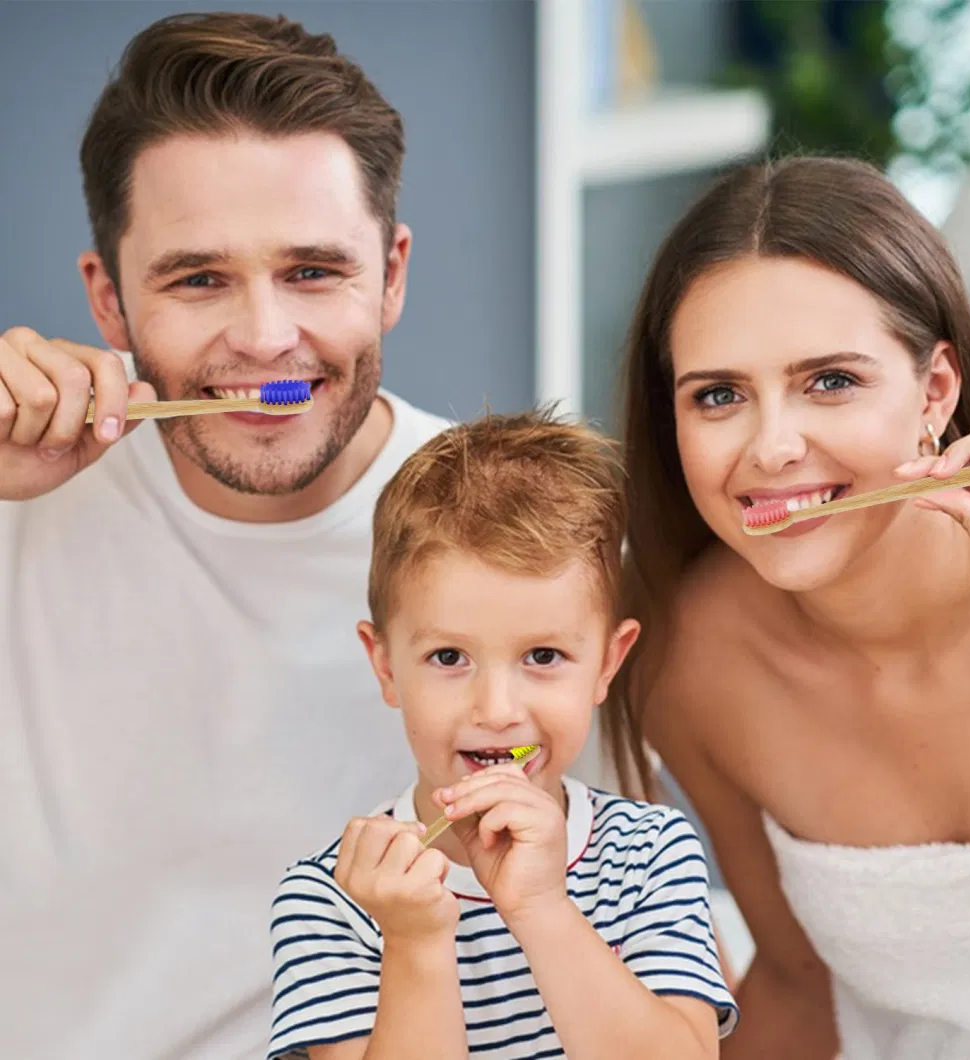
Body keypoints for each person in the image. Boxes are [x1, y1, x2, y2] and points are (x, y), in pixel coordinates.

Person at [0, 12, 457, 1058]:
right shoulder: (15, 505)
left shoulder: (532, 544)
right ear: (107, 300)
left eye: (311, 271)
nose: (262, 336)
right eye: (198, 278)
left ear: (390, 273)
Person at [604, 155, 970, 1060]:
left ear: (935, 392)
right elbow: (794, 982)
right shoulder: (689, 663)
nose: (773, 447)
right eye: (721, 395)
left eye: (830, 381)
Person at [267, 409, 739, 1059]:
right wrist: (415, 942)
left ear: (607, 662)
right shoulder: (336, 899)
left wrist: (542, 908)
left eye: (543, 657)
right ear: (385, 667)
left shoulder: (647, 856)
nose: (496, 710)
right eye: (449, 658)